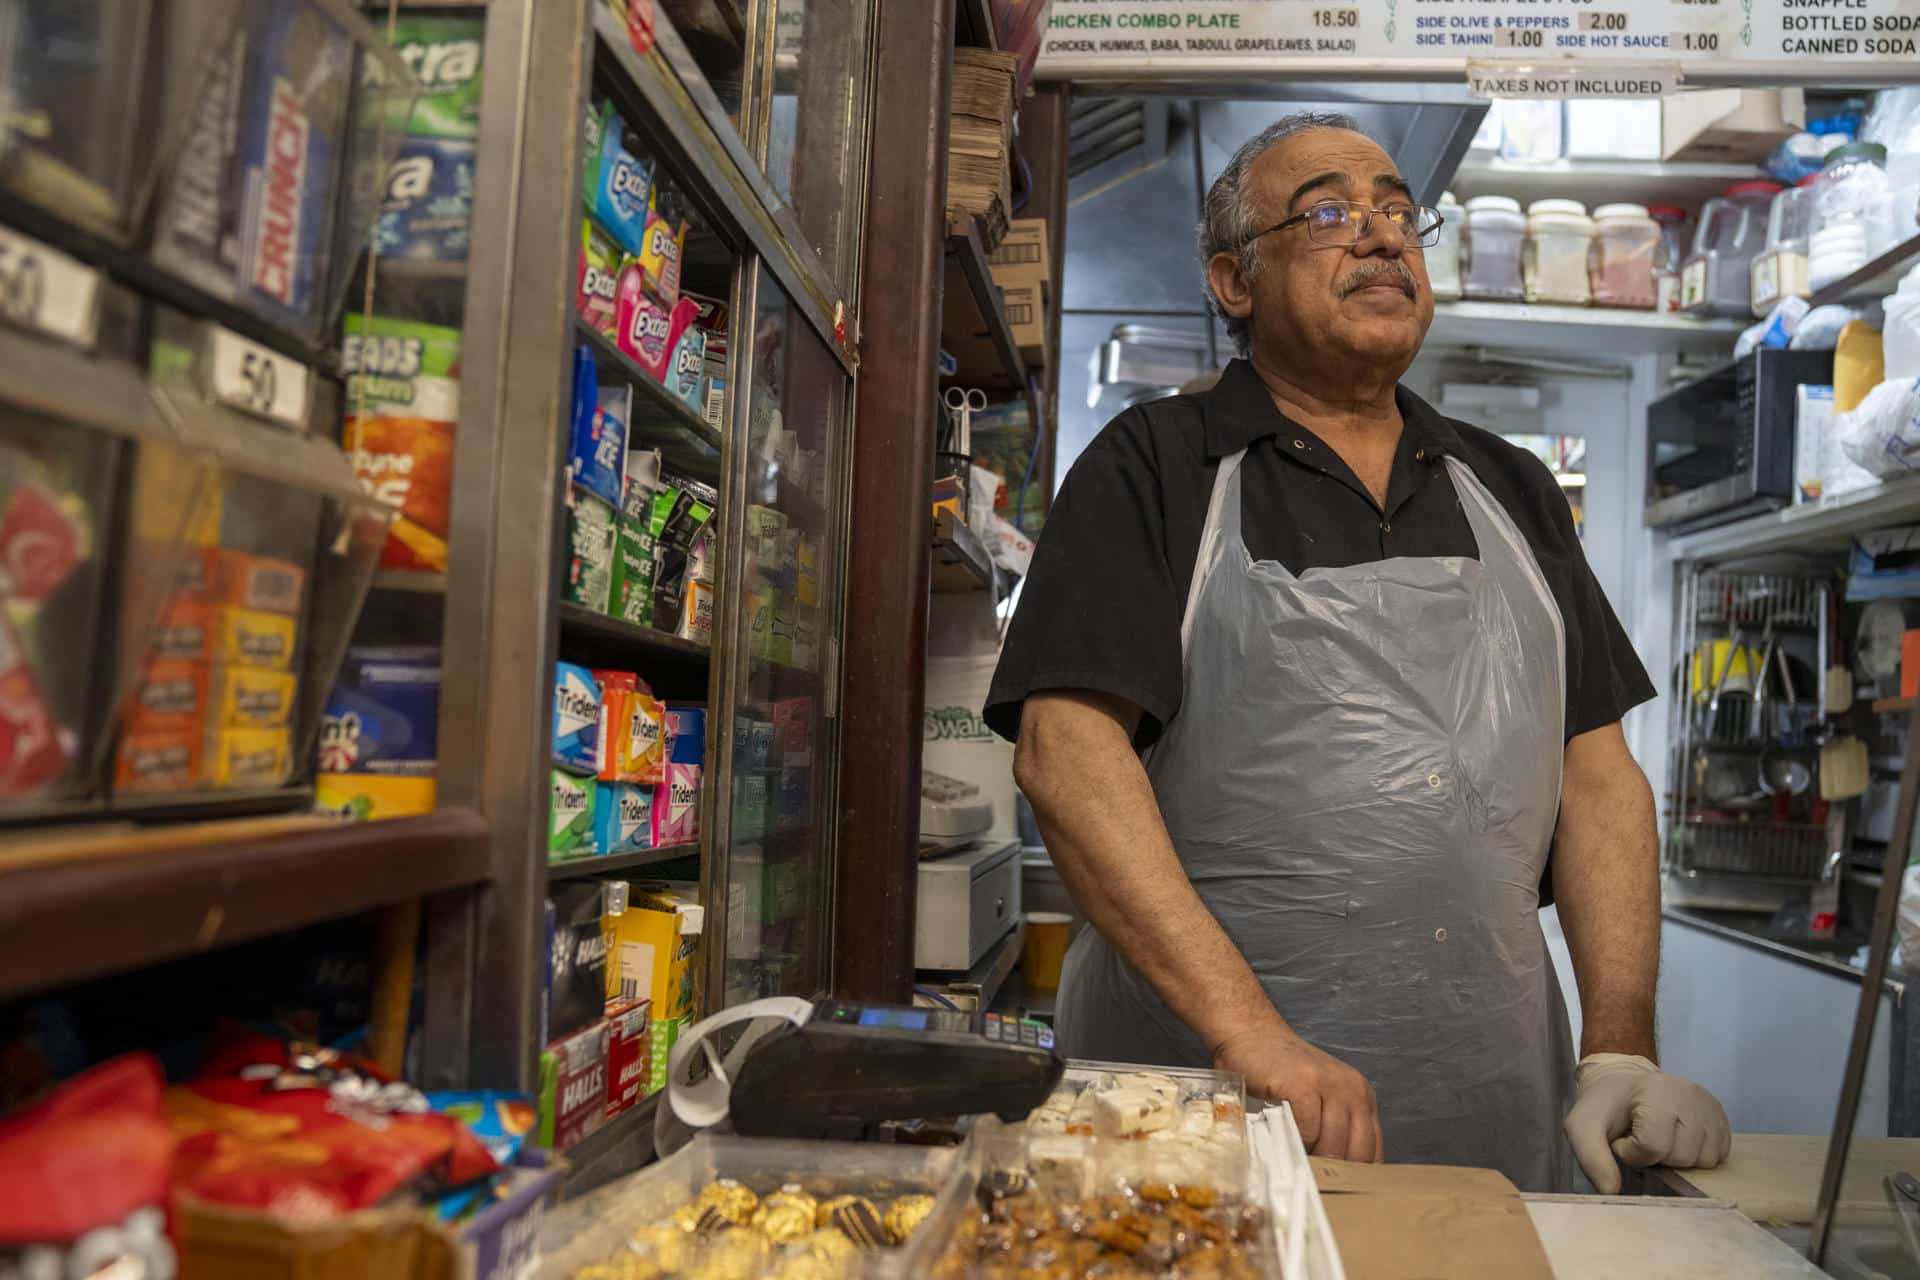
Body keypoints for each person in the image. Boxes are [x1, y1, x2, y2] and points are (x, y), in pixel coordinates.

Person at [985, 112, 1730, 1194]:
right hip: (1203, 1116)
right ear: (1234, 281)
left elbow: (1597, 776)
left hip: (1487, 1121)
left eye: (1398, 212)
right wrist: (1249, 1029)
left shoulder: (1512, 485)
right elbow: (1068, 751)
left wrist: (1620, 1043)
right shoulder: (1159, 463)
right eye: (1329, 212)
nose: (1381, 237)